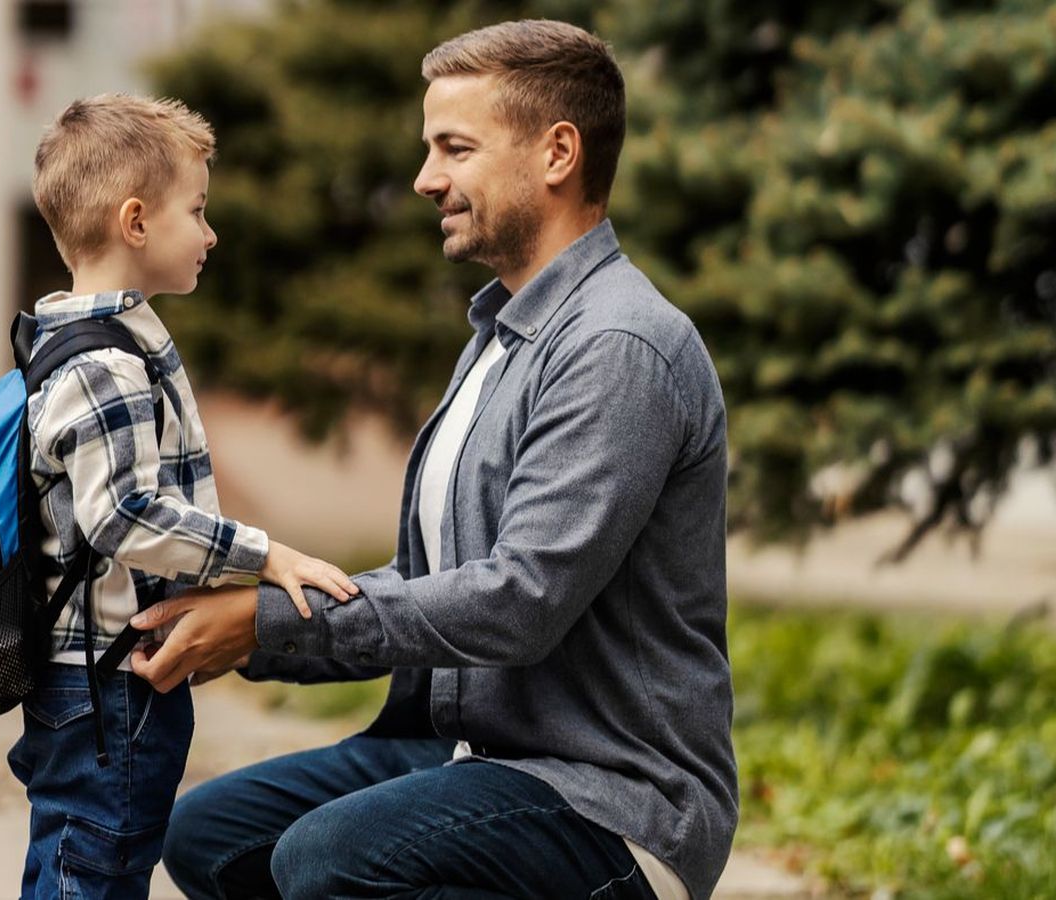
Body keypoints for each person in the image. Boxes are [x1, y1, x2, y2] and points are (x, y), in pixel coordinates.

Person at [134, 20, 738, 900]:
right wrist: (247, 624)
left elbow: (519, 600)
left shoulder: (618, 344)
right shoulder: (501, 336)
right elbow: (426, 582)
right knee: (210, 838)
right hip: (468, 750)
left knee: (326, 859)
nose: (426, 179)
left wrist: (268, 623)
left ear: (557, 153)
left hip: (610, 795)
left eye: (455, 148)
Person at [6, 93, 361, 900]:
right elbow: (122, 513)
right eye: (196, 211)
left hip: (90, 682)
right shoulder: (106, 367)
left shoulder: (75, 340)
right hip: (107, 686)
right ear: (135, 222)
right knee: (97, 869)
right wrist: (264, 556)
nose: (210, 233)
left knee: (73, 861)